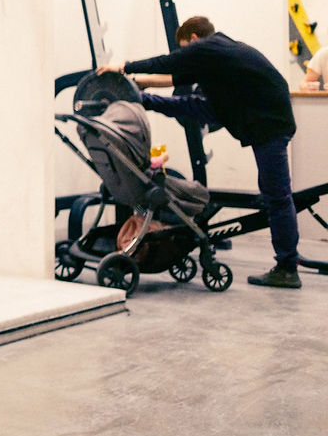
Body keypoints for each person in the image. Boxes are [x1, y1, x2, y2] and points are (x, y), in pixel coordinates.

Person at [100, 16, 302, 289]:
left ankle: (287, 267)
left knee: (276, 196)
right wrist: (139, 89)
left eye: (184, 49)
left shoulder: (212, 47)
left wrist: (121, 68)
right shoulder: (217, 59)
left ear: (194, 40)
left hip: (269, 124)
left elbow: (167, 63)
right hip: (255, 117)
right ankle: (288, 259)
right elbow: (174, 77)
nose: (184, 54)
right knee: (188, 106)